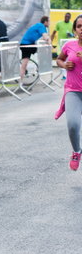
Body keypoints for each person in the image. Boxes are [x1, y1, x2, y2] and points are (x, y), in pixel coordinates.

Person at [55, 15, 82, 170]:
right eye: (79, 26)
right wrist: (65, 65)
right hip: (74, 91)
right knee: (73, 124)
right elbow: (59, 60)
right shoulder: (69, 45)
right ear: (75, 29)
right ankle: (77, 151)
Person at [20, 16, 50, 84]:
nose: (50, 23)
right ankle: (20, 81)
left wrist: (48, 40)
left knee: (24, 65)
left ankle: (20, 81)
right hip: (26, 45)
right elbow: (45, 37)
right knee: (24, 64)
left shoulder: (41, 26)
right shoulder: (41, 26)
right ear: (45, 22)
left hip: (28, 44)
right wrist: (49, 42)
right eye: (49, 21)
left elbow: (44, 37)